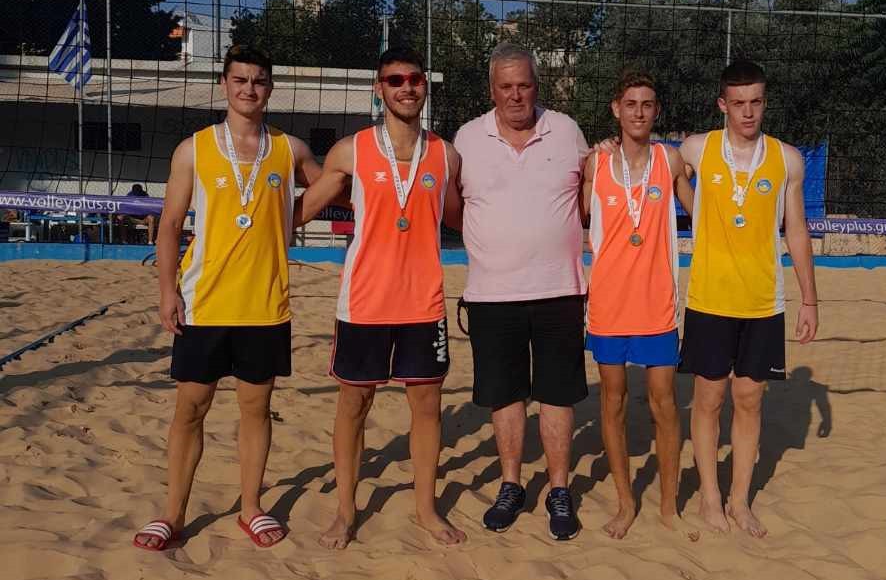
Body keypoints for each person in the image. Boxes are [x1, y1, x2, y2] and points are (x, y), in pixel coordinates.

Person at [133, 44, 320, 552]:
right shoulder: (193, 148)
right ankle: (172, 514)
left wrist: (295, 215)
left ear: (271, 88)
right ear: (224, 84)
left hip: (264, 303)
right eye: (240, 80)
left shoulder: (291, 149)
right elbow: (169, 226)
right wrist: (167, 291)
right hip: (205, 302)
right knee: (191, 409)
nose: (249, 89)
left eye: (259, 80)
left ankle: (251, 508)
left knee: (255, 410)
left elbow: (333, 191)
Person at [293, 45, 466, 549]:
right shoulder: (352, 150)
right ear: (379, 87)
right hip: (365, 302)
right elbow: (302, 212)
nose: (406, 87)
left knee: (427, 408)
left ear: (424, 86)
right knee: (354, 405)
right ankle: (345, 512)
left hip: (423, 302)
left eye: (414, 79)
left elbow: (459, 216)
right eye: (395, 80)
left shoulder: (445, 154)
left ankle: (427, 511)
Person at [454, 42, 589, 541]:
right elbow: (453, 209)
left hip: (559, 290)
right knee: (505, 394)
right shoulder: (467, 139)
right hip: (492, 292)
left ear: (538, 85)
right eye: (506, 86)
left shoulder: (568, 131)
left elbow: (588, 195)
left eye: (525, 84)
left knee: (556, 393)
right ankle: (511, 484)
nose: (516, 95)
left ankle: (558, 489)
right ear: (492, 90)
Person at [679, 58, 819, 538]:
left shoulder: (787, 159)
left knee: (749, 399)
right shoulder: (698, 149)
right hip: (709, 299)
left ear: (765, 102)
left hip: (763, 302)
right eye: (738, 102)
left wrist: (810, 300)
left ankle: (739, 501)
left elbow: (796, 229)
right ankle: (710, 499)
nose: (747, 111)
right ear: (722, 104)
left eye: (756, 101)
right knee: (708, 398)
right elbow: (655, 168)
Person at [583, 72, 695, 539]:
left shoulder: (669, 161)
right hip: (608, 302)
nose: (639, 112)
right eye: (631, 104)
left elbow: (701, 212)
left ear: (657, 111)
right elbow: (567, 212)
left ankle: (669, 506)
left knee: (663, 405)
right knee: (612, 403)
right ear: (615, 109)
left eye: (648, 104)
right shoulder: (595, 163)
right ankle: (626, 503)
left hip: (656, 304)